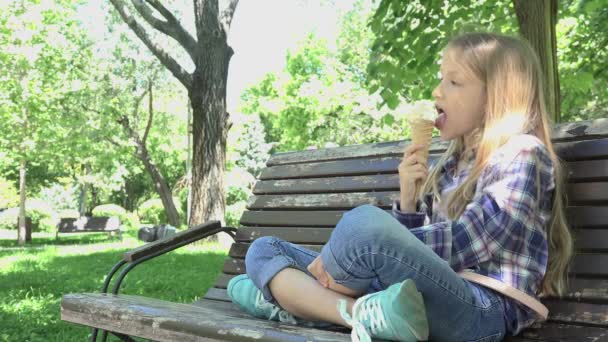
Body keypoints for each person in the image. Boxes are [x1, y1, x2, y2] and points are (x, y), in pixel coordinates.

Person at [227, 32, 574, 342]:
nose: (438, 91)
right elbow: (415, 261)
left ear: (496, 94)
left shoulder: (523, 154)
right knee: (265, 250)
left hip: (482, 311)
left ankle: (299, 301)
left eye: (454, 82)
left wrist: (345, 257)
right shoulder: (453, 162)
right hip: (422, 297)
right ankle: (360, 313)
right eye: (441, 80)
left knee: (362, 225)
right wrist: (408, 201)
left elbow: (468, 243)